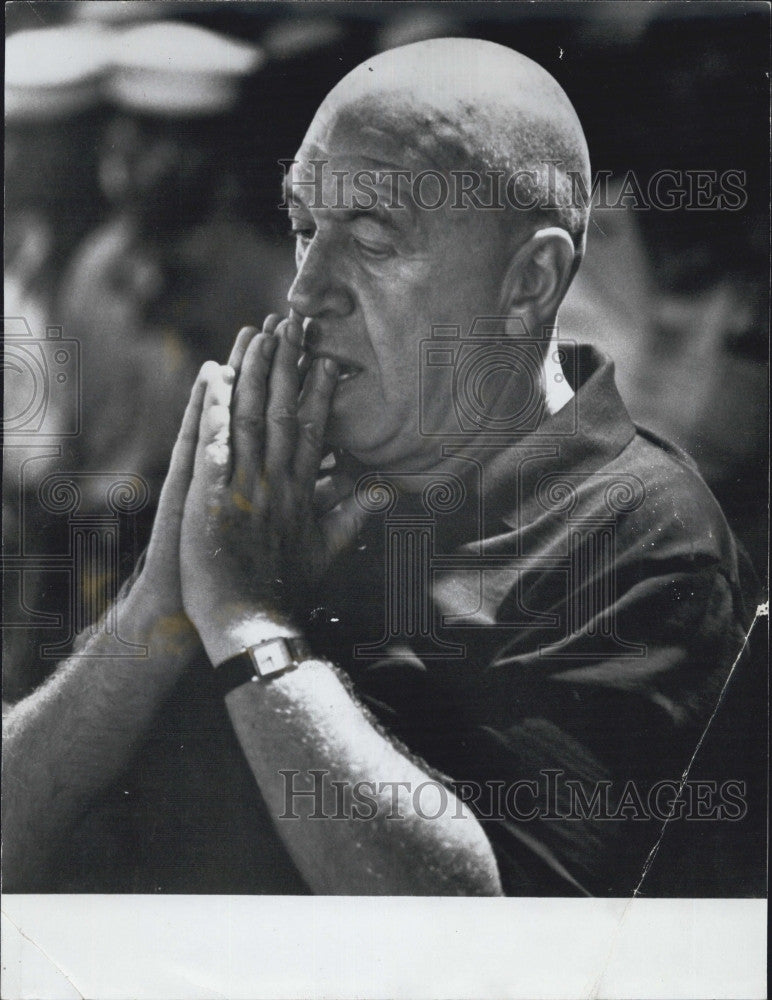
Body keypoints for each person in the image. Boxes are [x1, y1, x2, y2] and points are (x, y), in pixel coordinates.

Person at [2, 38, 760, 896]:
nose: (306, 289)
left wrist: (251, 627)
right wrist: (158, 610)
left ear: (531, 281)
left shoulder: (641, 532)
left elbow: (493, 950)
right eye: (303, 230)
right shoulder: (280, 481)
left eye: (370, 237)